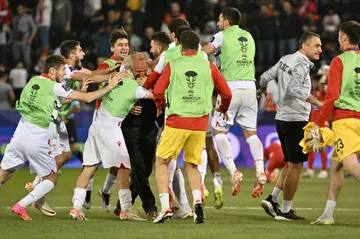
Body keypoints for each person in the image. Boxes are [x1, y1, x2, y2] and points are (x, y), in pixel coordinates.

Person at [0, 55, 123, 220]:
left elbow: (56, 102)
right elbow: (87, 99)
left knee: (3, 173)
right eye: (62, 70)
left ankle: (35, 195)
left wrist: (80, 91)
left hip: (19, 135)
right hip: (37, 138)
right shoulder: (55, 86)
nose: (65, 73)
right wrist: (110, 85)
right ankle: (22, 205)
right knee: (52, 177)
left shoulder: (33, 80)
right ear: (52, 71)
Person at [152, 30, 231, 224]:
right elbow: (227, 93)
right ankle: (197, 202)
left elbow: (158, 91)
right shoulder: (208, 66)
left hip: (177, 121)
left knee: (161, 162)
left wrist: (160, 106)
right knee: (192, 165)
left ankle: (164, 208)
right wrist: (222, 107)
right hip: (200, 123)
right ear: (197, 47)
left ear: (180, 46)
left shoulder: (173, 64)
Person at [69, 55, 154, 221]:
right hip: (110, 128)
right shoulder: (135, 87)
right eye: (143, 75)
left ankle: (76, 207)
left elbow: (106, 96)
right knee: (124, 166)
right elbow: (156, 95)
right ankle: (126, 209)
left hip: (95, 126)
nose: (144, 78)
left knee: (89, 168)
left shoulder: (114, 80)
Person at [202, 7, 266, 198]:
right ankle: (260, 171)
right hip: (250, 88)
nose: (218, 22)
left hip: (230, 88)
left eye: (220, 20)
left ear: (226, 22)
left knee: (219, 132)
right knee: (251, 133)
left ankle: (232, 171)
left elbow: (205, 52)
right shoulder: (249, 36)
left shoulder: (222, 35)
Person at [258, 31, 323, 220]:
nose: (320, 48)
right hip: (296, 119)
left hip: (281, 118)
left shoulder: (286, 59)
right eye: (316, 45)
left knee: (290, 163)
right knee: (296, 166)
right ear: (304, 46)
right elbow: (294, 89)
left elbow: (264, 77)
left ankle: (272, 199)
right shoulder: (302, 63)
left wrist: (262, 90)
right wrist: (317, 102)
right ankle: (285, 211)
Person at [311, 21, 360, 225]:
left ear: (344, 37)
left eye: (340, 35)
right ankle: (328, 214)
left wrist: (317, 122)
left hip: (345, 121)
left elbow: (331, 96)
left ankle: (328, 215)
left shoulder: (339, 61)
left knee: (350, 165)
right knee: (336, 167)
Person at [85, 28, 130, 211]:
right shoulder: (107, 65)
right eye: (120, 45)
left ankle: (105, 190)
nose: (124, 48)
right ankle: (87, 190)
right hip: (103, 117)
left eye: (126, 45)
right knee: (93, 160)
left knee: (118, 160)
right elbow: (94, 77)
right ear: (112, 47)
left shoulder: (130, 64)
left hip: (122, 117)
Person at [303, 67, 329, 178]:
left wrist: (324, 75)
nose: (315, 82)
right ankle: (310, 169)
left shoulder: (325, 90)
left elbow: (325, 88)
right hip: (313, 121)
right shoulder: (314, 92)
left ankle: (323, 170)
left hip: (322, 122)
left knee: (321, 147)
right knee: (310, 146)